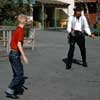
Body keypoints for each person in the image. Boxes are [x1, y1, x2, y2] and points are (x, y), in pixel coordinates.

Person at [5, 14, 29, 99]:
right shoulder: (21, 31)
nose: (27, 20)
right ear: (22, 20)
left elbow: (15, 42)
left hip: (13, 53)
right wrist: (24, 56)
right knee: (19, 75)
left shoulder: (17, 29)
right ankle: (9, 90)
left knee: (17, 73)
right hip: (15, 54)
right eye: (26, 19)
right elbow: (19, 45)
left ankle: (16, 89)